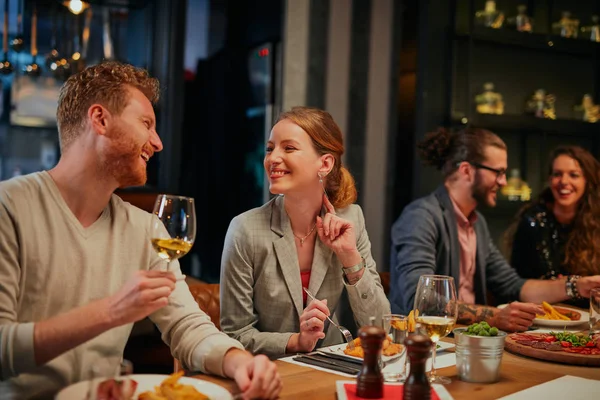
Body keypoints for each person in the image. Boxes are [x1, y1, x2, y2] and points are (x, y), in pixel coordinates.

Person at [0, 61, 280, 399]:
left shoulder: (145, 227)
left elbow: (186, 325)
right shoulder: (9, 207)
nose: (158, 142)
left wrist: (239, 362)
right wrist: (111, 311)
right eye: (146, 123)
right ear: (100, 120)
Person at [389, 127, 600, 332]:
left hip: (470, 338)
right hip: (424, 344)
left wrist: (577, 285)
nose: (503, 181)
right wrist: (496, 316)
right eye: (498, 172)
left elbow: (514, 285)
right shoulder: (421, 216)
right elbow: (419, 299)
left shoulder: (477, 222)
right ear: (466, 171)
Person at [220, 106, 390, 358]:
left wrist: (349, 257)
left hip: (329, 371)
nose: (272, 158)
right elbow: (235, 334)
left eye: (288, 148)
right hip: (267, 373)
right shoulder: (246, 230)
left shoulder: (351, 218)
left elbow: (380, 327)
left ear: (325, 163)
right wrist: (296, 341)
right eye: (270, 148)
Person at [507, 145, 600, 308]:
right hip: (538, 315)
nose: (564, 181)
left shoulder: (596, 222)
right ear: (549, 180)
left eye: (574, 175)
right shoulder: (534, 220)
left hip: (587, 318)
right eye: (557, 174)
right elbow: (541, 281)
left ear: (587, 180)